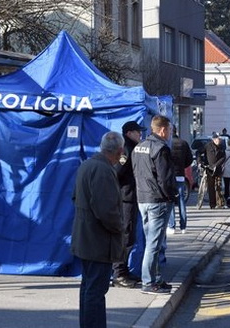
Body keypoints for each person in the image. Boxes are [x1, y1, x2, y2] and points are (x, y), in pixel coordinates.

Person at [71, 131, 124, 328]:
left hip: (85, 237)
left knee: (88, 289)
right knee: (95, 291)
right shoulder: (103, 170)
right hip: (98, 241)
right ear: (119, 151)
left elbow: (75, 198)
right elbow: (107, 211)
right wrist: (120, 228)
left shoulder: (86, 165)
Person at [132, 115, 177, 294]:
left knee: (151, 241)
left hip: (142, 198)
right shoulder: (161, 149)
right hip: (158, 200)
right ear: (163, 130)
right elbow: (165, 178)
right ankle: (149, 282)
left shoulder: (139, 147)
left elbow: (135, 172)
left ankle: (155, 278)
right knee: (154, 243)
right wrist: (171, 196)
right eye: (170, 130)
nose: (171, 133)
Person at [111, 121, 146, 288]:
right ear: (129, 133)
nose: (140, 135)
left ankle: (123, 270)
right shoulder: (127, 148)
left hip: (130, 197)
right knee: (125, 235)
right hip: (126, 198)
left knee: (130, 235)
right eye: (138, 132)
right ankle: (119, 273)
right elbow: (117, 172)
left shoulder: (133, 147)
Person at [168, 125, 193, 234]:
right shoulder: (183, 143)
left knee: (171, 201)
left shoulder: (167, 144)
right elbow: (190, 159)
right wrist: (182, 166)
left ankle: (172, 226)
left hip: (169, 175)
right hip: (180, 175)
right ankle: (183, 226)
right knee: (181, 200)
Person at [203, 132, 226, 209]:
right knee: (211, 187)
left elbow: (223, 157)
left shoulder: (222, 146)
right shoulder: (208, 146)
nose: (218, 140)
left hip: (218, 169)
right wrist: (201, 162)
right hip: (209, 169)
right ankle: (212, 204)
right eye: (217, 139)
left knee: (218, 186)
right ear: (213, 139)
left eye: (219, 139)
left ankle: (219, 203)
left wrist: (217, 165)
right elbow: (199, 153)